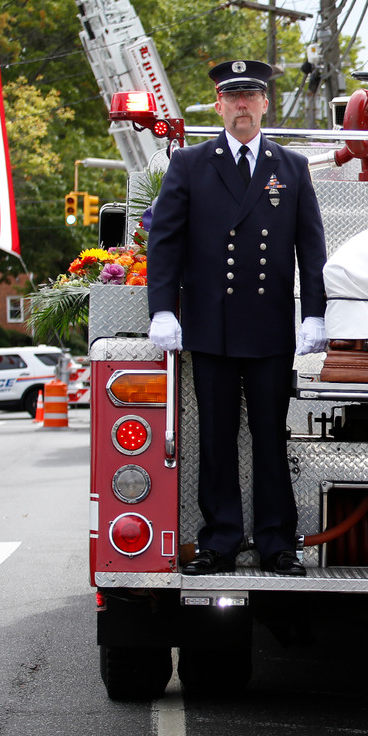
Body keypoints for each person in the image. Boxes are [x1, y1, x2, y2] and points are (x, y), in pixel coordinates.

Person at [147, 58, 329, 577]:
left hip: (270, 329)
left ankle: (276, 544)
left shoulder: (290, 166)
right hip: (212, 326)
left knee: (272, 438)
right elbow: (164, 242)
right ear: (219, 105)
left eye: (251, 95)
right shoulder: (190, 163)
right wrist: (162, 308)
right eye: (232, 96)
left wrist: (313, 314)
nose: (242, 104)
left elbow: (310, 248)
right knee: (216, 438)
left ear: (265, 103)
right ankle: (220, 541)